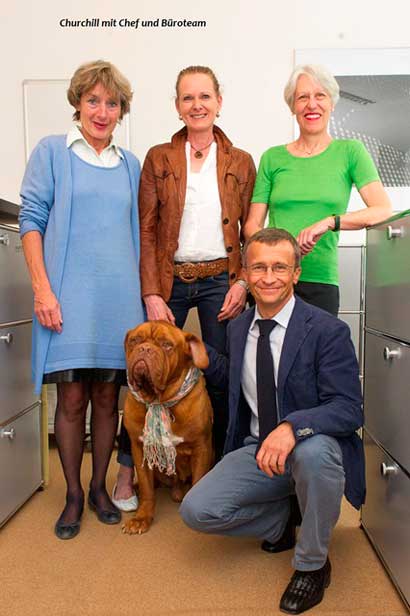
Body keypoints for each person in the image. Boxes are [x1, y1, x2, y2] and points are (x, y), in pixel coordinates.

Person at [179, 228, 364, 614]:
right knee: (197, 511)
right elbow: (245, 381)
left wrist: (292, 427)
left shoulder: (327, 331)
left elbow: (348, 408)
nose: (268, 277)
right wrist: (208, 361)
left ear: (296, 273)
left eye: (279, 267)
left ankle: (312, 565)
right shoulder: (238, 327)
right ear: (245, 273)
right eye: (259, 267)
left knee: (314, 453)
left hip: (310, 447)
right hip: (257, 448)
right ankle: (283, 521)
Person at [113, 65, 256, 509]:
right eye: (188, 97)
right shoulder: (159, 158)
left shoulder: (240, 161)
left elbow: (250, 231)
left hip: (220, 280)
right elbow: (147, 229)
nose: (197, 105)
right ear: (177, 106)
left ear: (219, 102)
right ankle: (127, 471)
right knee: (142, 372)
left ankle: (221, 474)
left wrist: (243, 281)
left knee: (221, 375)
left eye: (205, 96)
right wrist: (152, 292)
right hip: (169, 278)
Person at [19, 60, 145, 540]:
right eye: (93, 100)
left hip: (118, 301)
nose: (102, 111)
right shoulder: (52, 152)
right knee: (72, 398)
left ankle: (98, 488)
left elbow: (140, 234)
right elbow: (31, 221)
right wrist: (42, 289)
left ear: (121, 111)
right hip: (67, 298)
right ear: (78, 103)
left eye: (111, 103)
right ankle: (72, 494)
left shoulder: (130, 165)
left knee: (109, 398)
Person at [244, 64, 391, 316]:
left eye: (320, 95)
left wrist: (329, 222)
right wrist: (278, 254)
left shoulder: (351, 152)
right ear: (293, 106)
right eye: (303, 97)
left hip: (321, 281)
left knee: (318, 343)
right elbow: (251, 225)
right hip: (272, 281)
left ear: (331, 103)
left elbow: (383, 210)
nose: (312, 104)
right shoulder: (272, 157)